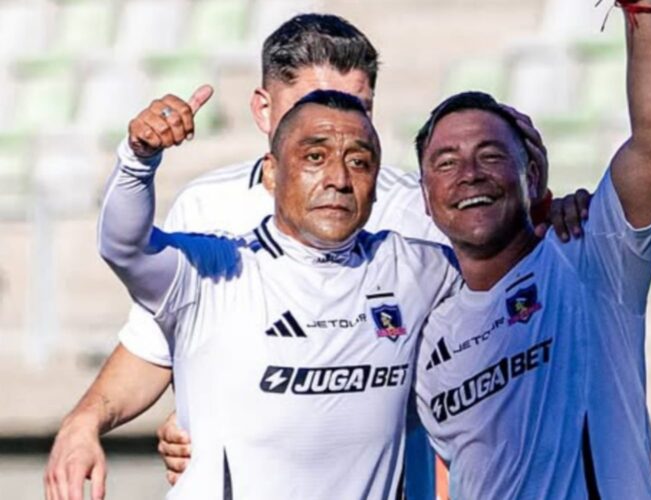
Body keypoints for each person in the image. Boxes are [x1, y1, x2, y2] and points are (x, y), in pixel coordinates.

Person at [44, 13, 587, 500]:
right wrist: (87, 420)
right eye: (313, 124)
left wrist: (550, 210)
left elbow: (502, 283)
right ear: (265, 114)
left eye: (359, 112)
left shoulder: (419, 224)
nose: (338, 164)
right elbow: (152, 334)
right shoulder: (205, 213)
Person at [95, 89, 464, 499]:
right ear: (271, 174)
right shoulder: (217, 269)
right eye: (314, 158)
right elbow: (124, 246)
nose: (339, 180)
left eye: (358, 163)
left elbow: (511, 260)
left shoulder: (419, 271)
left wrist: (545, 207)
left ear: (376, 185)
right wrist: (138, 159)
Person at [412, 1, 651, 498]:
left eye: (491, 155)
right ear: (427, 197)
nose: (469, 173)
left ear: (532, 174)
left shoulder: (586, 257)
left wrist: (639, 11)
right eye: (446, 162)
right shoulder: (430, 332)